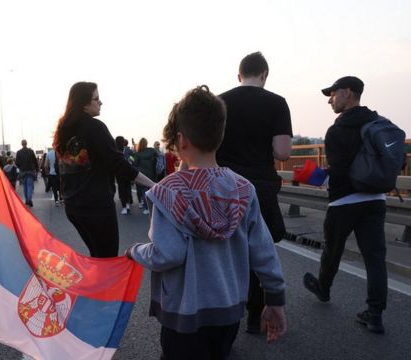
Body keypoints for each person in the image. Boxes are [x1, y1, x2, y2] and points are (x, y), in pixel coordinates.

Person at [127, 85, 287, 359]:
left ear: (181, 140)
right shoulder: (243, 189)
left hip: (184, 317)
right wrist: (275, 299)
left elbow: (168, 254)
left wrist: (135, 251)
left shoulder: (167, 193)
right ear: (220, 136)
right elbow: (263, 251)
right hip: (228, 312)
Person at [300, 76, 388, 334]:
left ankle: (323, 288)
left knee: (333, 249)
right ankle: (374, 315)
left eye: (333, 93)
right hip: (375, 199)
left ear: (348, 93)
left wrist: (313, 175)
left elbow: (338, 171)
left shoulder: (337, 130)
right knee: (375, 258)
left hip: (344, 201)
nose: (330, 99)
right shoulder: (377, 123)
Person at [215, 51, 292, 333]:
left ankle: (225, 317)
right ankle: (256, 314)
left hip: (223, 186)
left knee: (226, 251)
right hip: (260, 186)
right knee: (260, 249)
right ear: (264, 75)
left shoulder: (219, 102)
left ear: (239, 75)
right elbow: (283, 152)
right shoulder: (276, 103)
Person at [53, 82, 155, 258]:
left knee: (97, 257)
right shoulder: (94, 127)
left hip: (73, 207)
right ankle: (100, 286)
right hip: (96, 206)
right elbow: (118, 163)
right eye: (97, 99)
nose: (101, 103)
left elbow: (61, 168)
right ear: (84, 103)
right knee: (107, 259)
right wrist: (153, 184)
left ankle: (95, 285)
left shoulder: (63, 132)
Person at [134, 138, 157, 215]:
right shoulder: (153, 151)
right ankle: (154, 207)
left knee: (144, 191)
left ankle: (147, 208)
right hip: (152, 174)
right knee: (152, 191)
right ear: (147, 143)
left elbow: (135, 164)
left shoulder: (138, 154)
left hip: (142, 175)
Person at [15, 139, 39, 207]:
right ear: (26, 143)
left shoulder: (18, 152)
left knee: (25, 187)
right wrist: (36, 169)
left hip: (23, 172)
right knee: (30, 186)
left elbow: (17, 163)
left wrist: (21, 167)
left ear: (21, 144)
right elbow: (35, 161)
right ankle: (29, 200)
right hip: (30, 171)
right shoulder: (31, 151)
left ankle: (27, 200)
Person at [115, 136, 133, 215]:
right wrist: (129, 162)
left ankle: (124, 207)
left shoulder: (115, 150)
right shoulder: (128, 149)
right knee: (127, 187)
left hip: (119, 172)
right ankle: (128, 204)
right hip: (127, 171)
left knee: (122, 188)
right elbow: (134, 157)